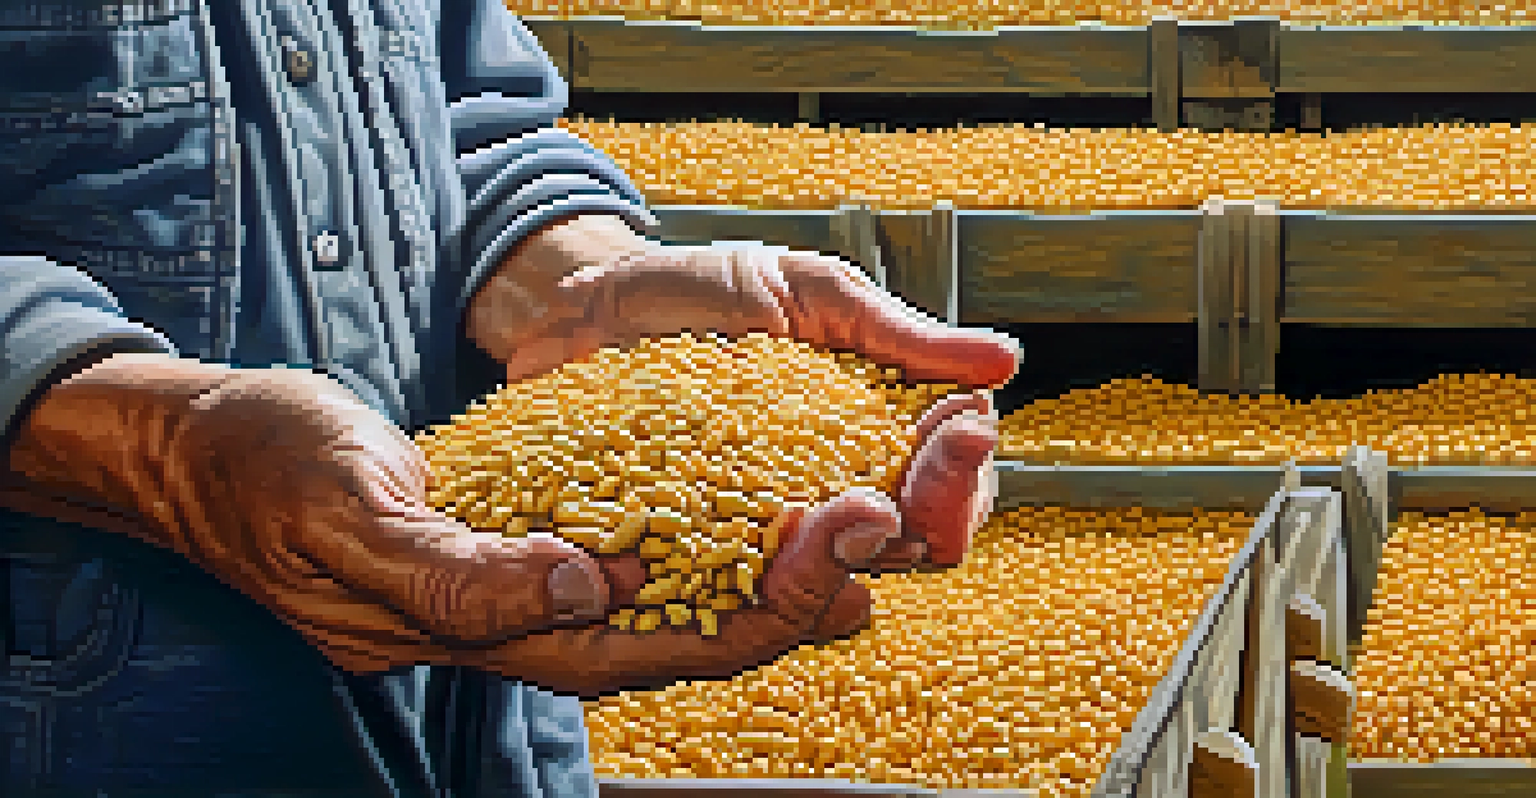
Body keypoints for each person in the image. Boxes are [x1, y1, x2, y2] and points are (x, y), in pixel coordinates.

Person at [0, 1, 1018, 796]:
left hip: (484, 736)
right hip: (99, 730)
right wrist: (157, 445)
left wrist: (577, 276)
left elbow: (457, 113)